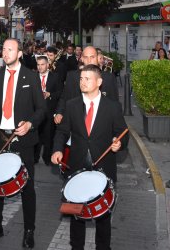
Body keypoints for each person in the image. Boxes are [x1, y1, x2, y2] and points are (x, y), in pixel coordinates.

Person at [51, 64, 128, 250]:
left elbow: (122, 133)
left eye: (87, 79)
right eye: (81, 79)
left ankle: (103, 247)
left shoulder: (112, 107)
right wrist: (57, 149)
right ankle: (76, 246)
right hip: (76, 165)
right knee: (77, 212)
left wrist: (119, 144)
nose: (83, 82)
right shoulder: (72, 105)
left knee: (103, 215)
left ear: (99, 82)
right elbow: (62, 132)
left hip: (103, 166)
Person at [0, 38, 46, 248]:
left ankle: (28, 230)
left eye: (10, 49)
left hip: (23, 139)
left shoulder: (31, 77)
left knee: (27, 186)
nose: (5, 53)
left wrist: (30, 125)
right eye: (4, 49)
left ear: (19, 54)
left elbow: (42, 109)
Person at [34, 55, 62, 165]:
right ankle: (34, 158)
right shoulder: (33, 77)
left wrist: (50, 94)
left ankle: (47, 158)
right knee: (36, 135)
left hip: (50, 111)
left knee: (49, 136)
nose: (40, 67)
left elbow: (60, 93)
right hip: (35, 112)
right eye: (38, 65)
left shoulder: (55, 77)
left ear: (47, 65)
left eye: (42, 64)